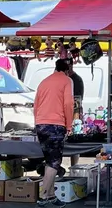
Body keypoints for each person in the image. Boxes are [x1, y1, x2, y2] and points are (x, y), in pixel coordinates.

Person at [33, 59, 75, 207]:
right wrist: (69, 125)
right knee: (54, 161)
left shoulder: (44, 82)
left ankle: (51, 195)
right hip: (56, 124)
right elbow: (68, 104)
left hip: (41, 123)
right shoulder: (67, 80)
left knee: (49, 160)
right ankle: (44, 195)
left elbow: (36, 105)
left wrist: (37, 121)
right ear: (67, 69)